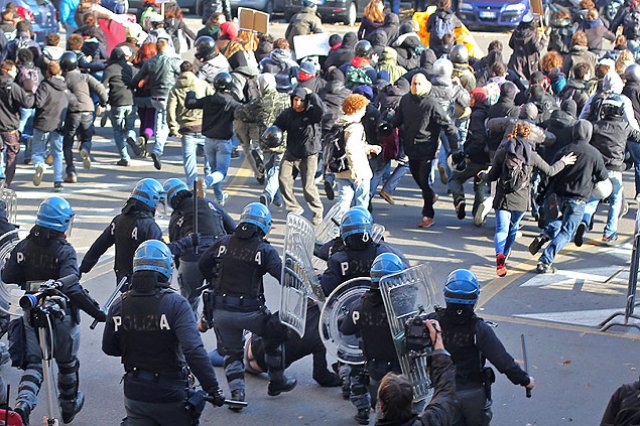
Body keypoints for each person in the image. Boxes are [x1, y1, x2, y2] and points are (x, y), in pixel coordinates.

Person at [2, 197, 106, 425]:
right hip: (60, 315)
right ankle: (68, 406)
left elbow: (8, 276)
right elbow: (72, 286)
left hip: (32, 311)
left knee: (34, 364)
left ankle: (22, 407)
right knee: (67, 363)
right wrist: (98, 313)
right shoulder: (64, 251)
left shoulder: (23, 246)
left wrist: (29, 282)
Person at [102, 240, 226, 425]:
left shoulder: (119, 305)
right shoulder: (176, 305)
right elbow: (193, 350)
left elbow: (109, 348)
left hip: (135, 394)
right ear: (167, 269)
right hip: (170, 394)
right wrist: (213, 389)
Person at [198, 202, 297, 405]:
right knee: (273, 336)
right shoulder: (264, 250)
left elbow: (203, 265)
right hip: (251, 312)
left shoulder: (223, 242)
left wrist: (214, 279)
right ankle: (277, 381)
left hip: (221, 312)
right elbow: (284, 278)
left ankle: (237, 394)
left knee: (231, 352)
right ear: (264, 227)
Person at [426, 269, 534, 426]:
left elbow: (408, 334)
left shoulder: (433, 322)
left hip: (443, 394)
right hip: (472, 395)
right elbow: (503, 361)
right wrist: (525, 381)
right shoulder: (479, 329)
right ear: (474, 298)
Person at [479, 121, 576, 277]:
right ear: (528, 135)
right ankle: (507, 253)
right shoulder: (532, 154)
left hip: (503, 197)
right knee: (513, 228)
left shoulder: (503, 150)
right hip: (521, 199)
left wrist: (482, 175)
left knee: (501, 229)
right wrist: (563, 162)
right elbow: (550, 171)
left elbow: (492, 176)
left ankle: (500, 257)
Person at [529, 120, 609, 273]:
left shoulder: (565, 150)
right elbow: (603, 176)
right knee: (568, 231)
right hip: (579, 198)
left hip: (561, 196)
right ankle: (545, 261)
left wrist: (541, 195)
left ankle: (546, 234)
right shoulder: (594, 153)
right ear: (589, 133)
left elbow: (551, 174)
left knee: (564, 220)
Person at [340, 252, 407, 425]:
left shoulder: (360, 305)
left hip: (375, 369)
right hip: (402, 369)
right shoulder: (404, 307)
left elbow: (345, 330)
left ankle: (364, 408)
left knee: (382, 407)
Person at [390, 73, 459, 229]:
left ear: (426, 85)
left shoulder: (431, 103)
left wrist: (454, 148)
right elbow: (398, 118)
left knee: (424, 180)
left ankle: (428, 215)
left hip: (427, 147)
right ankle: (431, 196)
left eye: (419, 84)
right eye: (414, 83)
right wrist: (388, 124)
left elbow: (447, 125)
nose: (416, 87)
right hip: (410, 146)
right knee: (418, 179)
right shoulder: (406, 100)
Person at [163, 178, 235, 316]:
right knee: (223, 298)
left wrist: (183, 271)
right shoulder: (210, 204)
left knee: (189, 302)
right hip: (218, 255)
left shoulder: (176, 217)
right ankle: (212, 316)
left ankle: (190, 331)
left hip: (191, 259)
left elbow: (175, 251)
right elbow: (232, 228)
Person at [575, 94, 640, 245]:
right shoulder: (624, 127)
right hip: (616, 169)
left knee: (593, 197)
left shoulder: (596, 126)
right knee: (616, 200)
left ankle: (584, 221)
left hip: (598, 169)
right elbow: (637, 137)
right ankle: (609, 232)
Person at [79, 178, 167, 286]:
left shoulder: (119, 220)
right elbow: (163, 255)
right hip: (147, 285)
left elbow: (99, 245)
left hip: (122, 282)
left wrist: (84, 268)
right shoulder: (150, 227)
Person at [374, 319, 461, 426]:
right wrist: (437, 341)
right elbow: (446, 393)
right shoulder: (429, 422)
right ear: (411, 402)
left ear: (381, 405)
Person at [244, 303, 341, 387]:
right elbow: (320, 376)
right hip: (263, 366)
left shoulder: (307, 306)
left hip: (252, 345)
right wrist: (340, 378)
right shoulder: (320, 339)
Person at [185, 71, 241, 206]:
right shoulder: (232, 103)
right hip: (223, 142)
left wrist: (190, 93)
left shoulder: (209, 100)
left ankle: (219, 197)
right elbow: (245, 114)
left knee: (214, 169)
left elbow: (190, 103)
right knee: (221, 172)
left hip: (208, 141)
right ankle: (206, 182)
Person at [233, 73, 289, 206]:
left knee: (271, 171)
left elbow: (240, 113)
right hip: (283, 142)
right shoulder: (285, 99)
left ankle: (274, 198)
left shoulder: (258, 102)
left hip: (265, 142)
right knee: (276, 171)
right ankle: (269, 194)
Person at [274, 87, 326, 224]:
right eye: (295, 100)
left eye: (301, 100)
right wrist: (271, 135)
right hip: (291, 152)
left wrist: (312, 94)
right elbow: (277, 125)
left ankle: (317, 211)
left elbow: (322, 111)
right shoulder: (288, 114)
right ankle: (294, 208)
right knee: (283, 180)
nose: (297, 103)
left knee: (308, 186)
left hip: (308, 154)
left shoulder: (312, 114)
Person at [130, 38, 181, 170]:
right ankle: (158, 149)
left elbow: (137, 78)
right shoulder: (172, 62)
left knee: (159, 120)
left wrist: (132, 86)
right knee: (164, 124)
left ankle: (154, 145)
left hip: (155, 96)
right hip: (168, 96)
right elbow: (182, 74)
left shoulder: (150, 62)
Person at [59, 51, 107, 183]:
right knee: (86, 137)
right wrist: (103, 102)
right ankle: (85, 149)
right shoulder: (84, 77)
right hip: (88, 109)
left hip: (72, 112)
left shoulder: (63, 79)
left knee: (68, 143)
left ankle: (71, 171)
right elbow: (100, 88)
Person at [331, 94, 381, 211]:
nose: (364, 112)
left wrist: (368, 147)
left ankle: (338, 225)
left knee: (343, 201)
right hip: (358, 171)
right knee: (362, 203)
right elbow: (350, 148)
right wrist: (356, 171)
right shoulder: (355, 127)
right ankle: (360, 226)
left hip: (341, 169)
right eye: (363, 108)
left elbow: (349, 145)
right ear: (356, 109)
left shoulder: (340, 123)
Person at [31, 62, 76, 192]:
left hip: (43, 123)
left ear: (47, 72)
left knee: (38, 151)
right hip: (59, 124)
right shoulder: (64, 87)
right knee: (57, 153)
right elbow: (73, 102)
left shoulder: (44, 85)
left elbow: (38, 103)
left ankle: (40, 165)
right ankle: (58, 181)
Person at [168, 61, 214, 187]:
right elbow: (213, 101)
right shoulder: (203, 84)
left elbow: (170, 108)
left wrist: (173, 128)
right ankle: (207, 181)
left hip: (186, 128)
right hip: (203, 126)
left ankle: (193, 187)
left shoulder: (175, 88)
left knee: (189, 162)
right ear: (193, 70)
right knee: (209, 157)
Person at [0, 59, 33, 187]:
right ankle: (6, 183)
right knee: (12, 153)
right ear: (8, 70)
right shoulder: (12, 87)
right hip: (9, 126)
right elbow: (27, 103)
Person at [102, 46, 137, 167]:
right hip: (131, 100)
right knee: (129, 126)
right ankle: (131, 137)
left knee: (117, 130)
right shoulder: (130, 68)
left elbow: (103, 87)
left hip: (116, 101)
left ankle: (124, 157)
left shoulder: (110, 69)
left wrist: (104, 103)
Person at [508, 12, 548, 81]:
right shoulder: (532, 34)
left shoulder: (516, 31)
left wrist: (519, 50)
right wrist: (543, 41)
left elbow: (511, 44)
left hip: (517, 61)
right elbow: (538, 48)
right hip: (530, 62)